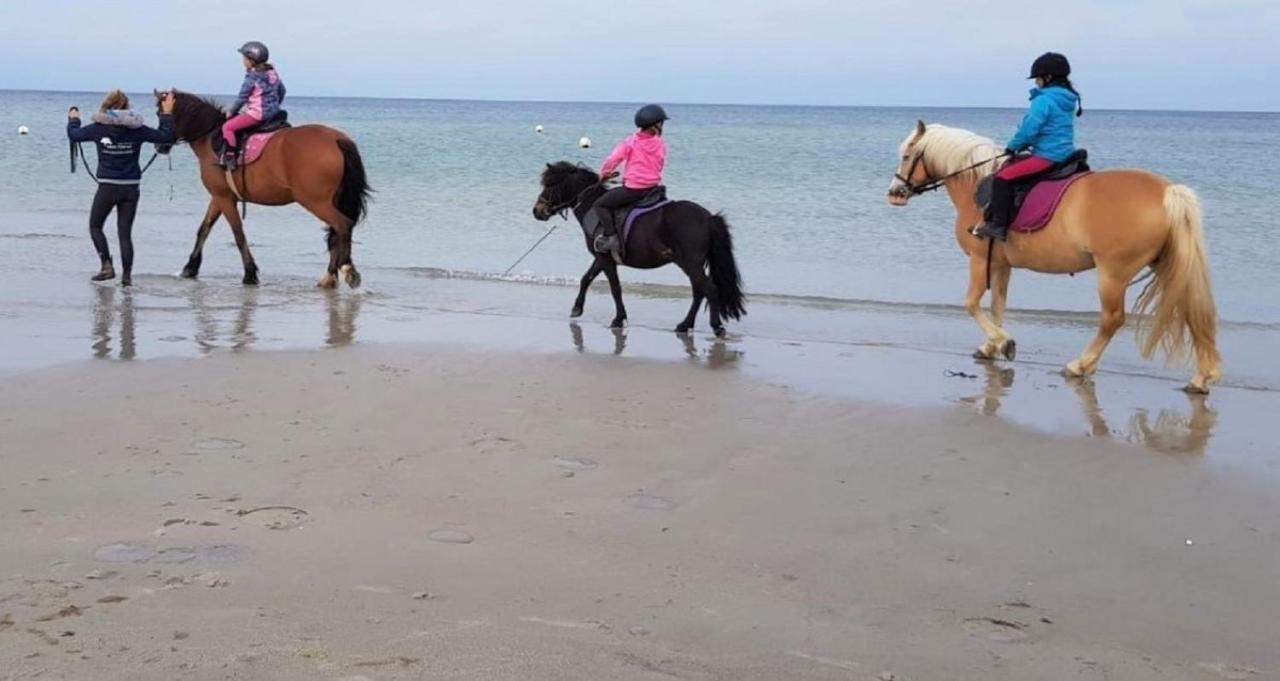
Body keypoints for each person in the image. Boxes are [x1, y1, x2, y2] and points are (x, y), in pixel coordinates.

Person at [67, 90, 176, 286]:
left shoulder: (98, 128)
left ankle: (107, 266)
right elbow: (165, 136)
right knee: (125, 234)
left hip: (108, 187)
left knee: (95, 226)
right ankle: (126, 279)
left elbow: (74, 135)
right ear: (127, 107)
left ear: (106, 106)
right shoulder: (138, 129)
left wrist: (74, 118)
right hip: (131, 188)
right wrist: (166, 113)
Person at [974, 52, 1083, 241]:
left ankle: (998, 225)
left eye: (1038, 79)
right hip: (1065, 154)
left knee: (1002, 177)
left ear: (1048, 78)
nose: (1036, 83)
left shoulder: (1044, 99)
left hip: (1047, 156)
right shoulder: (1066, 99)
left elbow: (1029, 129)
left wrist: (1013, 146)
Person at [592, 104, 669, 261]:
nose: (662, 125)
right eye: (661, 122)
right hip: (653, 189)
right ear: (655, 124)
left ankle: (611, 237)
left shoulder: (630, 142)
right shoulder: (661, 143)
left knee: (600, 204)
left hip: (634, 190)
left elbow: (613, 160)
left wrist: (604, 174)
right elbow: (659, 164)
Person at [220, 41, 287, 170]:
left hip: (257, 115)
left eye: (244, 58)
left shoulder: (252, 77)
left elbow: (242, 98)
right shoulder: (273, 74)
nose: (243, 61)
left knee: (228, 127)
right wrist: (274, 105)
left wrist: (231, 112)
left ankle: (230, 157)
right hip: (274, 113)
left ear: (251, 60)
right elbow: (282, 91)